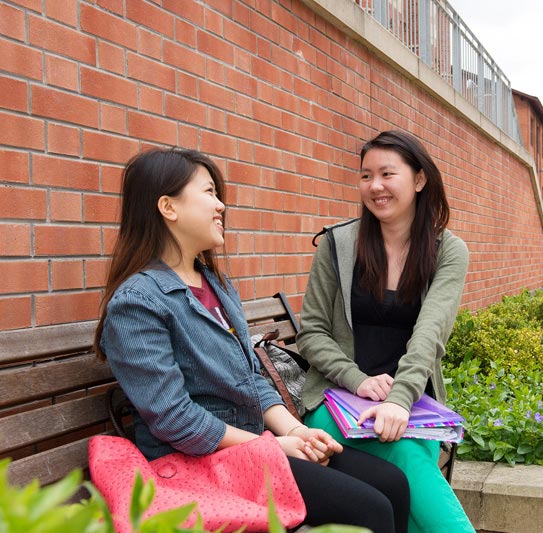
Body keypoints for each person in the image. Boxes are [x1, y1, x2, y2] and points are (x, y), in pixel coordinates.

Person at [93, 148, 409, 532]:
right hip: (197, 466)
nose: (220, 205)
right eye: (209, 192)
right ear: (168, 207)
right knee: (369, 509)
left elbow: (250, 378)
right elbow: (175, 420)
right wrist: (272, 447)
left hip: (250, 449)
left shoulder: (215, 285)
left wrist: (295, 432)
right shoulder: (138, 304)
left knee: (392, 483)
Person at [297, 130, 475, 533]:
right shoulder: (338, 244)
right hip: (336, 402)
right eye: (365, 176)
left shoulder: (448, 251)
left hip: (412, 407)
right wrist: (358, 381)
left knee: (407, 460)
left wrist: (398, 400)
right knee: (409, 463)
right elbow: (312, 333)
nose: (375, 186)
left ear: (419, 179)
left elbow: (429, 337)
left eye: (387, 174)